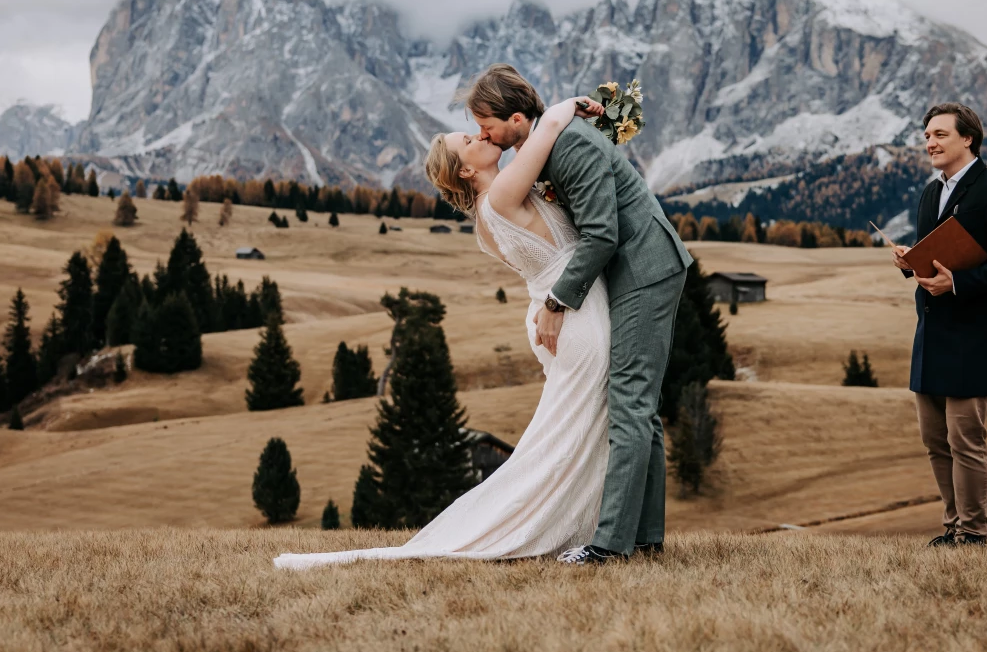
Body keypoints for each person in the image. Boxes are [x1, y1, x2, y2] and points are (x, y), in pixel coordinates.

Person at [273, 92, 611, 569]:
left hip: (560, 311)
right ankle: (588, 530)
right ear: (467, 172)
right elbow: (549, 126)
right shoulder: (502, 193)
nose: (479, 135)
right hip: (574, 313)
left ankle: (589, 526)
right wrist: (572, 104)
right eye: (469, 140)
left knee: (569, 431)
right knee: (577, 429)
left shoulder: (490, 213)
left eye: (475, 130)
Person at [467, 65, 691, 565]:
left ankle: (609, 545)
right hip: (632, 270)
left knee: (629, 400)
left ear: (517, 118)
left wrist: (555, 303)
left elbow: (602, 235)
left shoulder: (571, 146)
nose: (484, 134)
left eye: (486, 124)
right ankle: (647, 537)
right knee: (641, 408)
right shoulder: (548, 144)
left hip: (646, 269)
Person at [892, 103, 987, 547]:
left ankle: (974, 533)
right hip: (931, 334)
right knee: (935, 439)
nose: (929, 143)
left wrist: (960, 283)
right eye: (926, 136)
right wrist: (908, 263)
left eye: (939, 135)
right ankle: (952, 528)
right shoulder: (930, 193)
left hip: (976, 336)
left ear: (967, 138)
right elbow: (934, 256)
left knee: (964, 438)